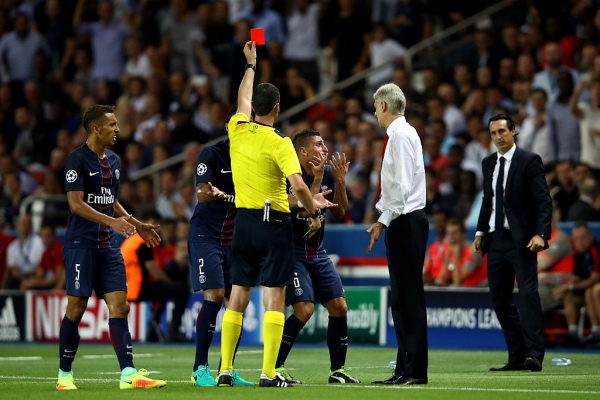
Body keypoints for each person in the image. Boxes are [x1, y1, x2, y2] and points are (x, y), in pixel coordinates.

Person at [217, 41, 329, 388]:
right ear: (277, 108)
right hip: (274, 224)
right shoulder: (280, 142)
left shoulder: (237, 128)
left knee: (238, 295)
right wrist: (312, 208)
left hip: (243, 223)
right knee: (274, 296)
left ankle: (225, 370)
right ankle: (268, 372)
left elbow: (242, 98)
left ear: (253, 108)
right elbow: (298, 185)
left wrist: (250, 65)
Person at [57, 104, 166, 390]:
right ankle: (64, 374)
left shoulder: (115, 161)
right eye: (112, 125)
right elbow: (75, 204)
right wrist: (112, 222)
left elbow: (111, 200)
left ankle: (128, 373)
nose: (118, 129)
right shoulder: (76, 159)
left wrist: (136, 223)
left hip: (107, 245)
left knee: (120, 306)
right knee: (77, 308)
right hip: (81, 244)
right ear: (96, 128)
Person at [274, 129, 360, 385]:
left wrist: (340, 182)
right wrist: (319, 177)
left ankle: (338, 371)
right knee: (304, 309)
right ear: (303, 151)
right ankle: (275, 367)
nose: (325, 149)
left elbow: (340, 212)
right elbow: (305, 210)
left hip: (317, 252)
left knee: (339, 306)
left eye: (324, 144)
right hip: (292, 252)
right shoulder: (290, 174)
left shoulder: (329, 174)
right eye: (319, 144)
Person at [473, 114, 552, 372]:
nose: (498, 137)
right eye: (493, 133)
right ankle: (517, 356)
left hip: (522, 240)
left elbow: (543, 200)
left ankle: (534, 355)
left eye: (502, 131)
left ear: (513, 132)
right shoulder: (488, 163)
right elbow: (488, 200)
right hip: (495, 240)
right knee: (499, 300)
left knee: (528, 295)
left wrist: (541, 234)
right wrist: (480, 232)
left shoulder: (529, 160)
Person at [367, 83, 429, 385]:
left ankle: (414, 371)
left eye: (375, 108)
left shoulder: (401, 136)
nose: (375, 115)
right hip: (402, 221)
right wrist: (383, 221)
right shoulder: (401, 134)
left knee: (409, 299)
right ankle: (405, 368)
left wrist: (385, 218)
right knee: (402, 300)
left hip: (406, 222)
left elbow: (401, 188)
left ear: (383, 106)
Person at [188, 106, 253, 387]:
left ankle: (227, 368)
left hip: (236, 238)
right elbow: (203, 195)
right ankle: (200, 368)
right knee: (214, 295)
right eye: (239, 123)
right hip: (207, 234)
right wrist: (228, 197)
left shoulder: (253, 158)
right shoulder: (212, 154)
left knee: (236, 302)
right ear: (228, 127)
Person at [121, 211, 190, 343]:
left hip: (129, 286)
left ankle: (153, 333)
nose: (154, 227)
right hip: (137, 289)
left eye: (157, 224)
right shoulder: (142, 242)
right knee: (182, 289)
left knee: (163, 292)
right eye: (152, 223)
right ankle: (173, 331)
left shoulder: (133, 241)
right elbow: (154, 270)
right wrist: (169, 283)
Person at [552, 221, 600, 347]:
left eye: (583, 237)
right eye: (576, 238)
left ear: (590, 236)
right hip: (587, 291)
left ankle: (597, 332)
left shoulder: (596, 249)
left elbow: (595, 278)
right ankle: (573, 334)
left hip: (595, 290)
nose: (580, 241)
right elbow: (576, 277)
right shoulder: (578, 254)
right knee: (570, 297)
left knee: (593, 290)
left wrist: (570, 286)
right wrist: (564, 287)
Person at [19, 223, 66, 290]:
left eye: (48, 236)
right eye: (43, 236)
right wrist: (30, 282)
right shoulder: (45, 254)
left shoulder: (60, 249)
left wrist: (34, 283)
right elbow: (39, 275)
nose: (46, 239)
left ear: (54, 236)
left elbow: (56, 278)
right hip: (55, 285)